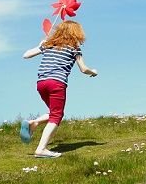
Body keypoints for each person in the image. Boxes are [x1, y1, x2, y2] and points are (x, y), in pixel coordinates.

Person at [21, 20, 97, 158]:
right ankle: (41, 149)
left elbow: (26, 55)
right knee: (57, 116)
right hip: (57, 83)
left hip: (41, 83)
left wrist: (40, 45)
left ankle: (34, 122)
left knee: (54, 112)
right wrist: (93, 72)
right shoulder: (74, 47)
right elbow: (83, 69)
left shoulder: (49, 44)